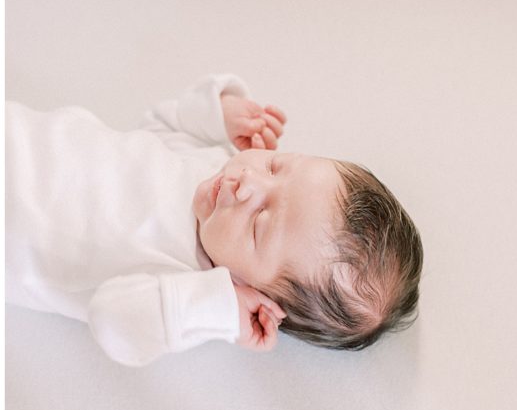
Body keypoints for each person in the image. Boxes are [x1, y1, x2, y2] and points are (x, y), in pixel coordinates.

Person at [6, 74, 423, 366]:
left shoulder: (184, 282)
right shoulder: (216, 166)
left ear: (252, 294)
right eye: (277, 166)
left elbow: (111, 322)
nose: (248, 183)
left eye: (260, 221)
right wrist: (214, 116)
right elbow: (152, 129)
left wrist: (216, 307)